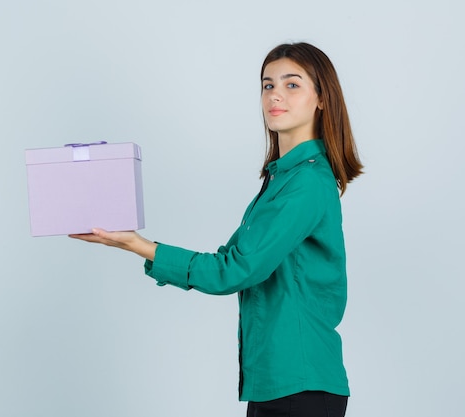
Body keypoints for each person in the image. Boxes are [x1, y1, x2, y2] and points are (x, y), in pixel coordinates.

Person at [71, 42, 363, 417]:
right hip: (278, 381)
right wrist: (134, 243)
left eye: (292, 85)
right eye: (267, 85)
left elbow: (233, 272)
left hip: (301, 384)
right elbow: (230, 261)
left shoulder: (306, 183)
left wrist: (138, 245)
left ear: (322, 98)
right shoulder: (283, 180)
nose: (275, 95)